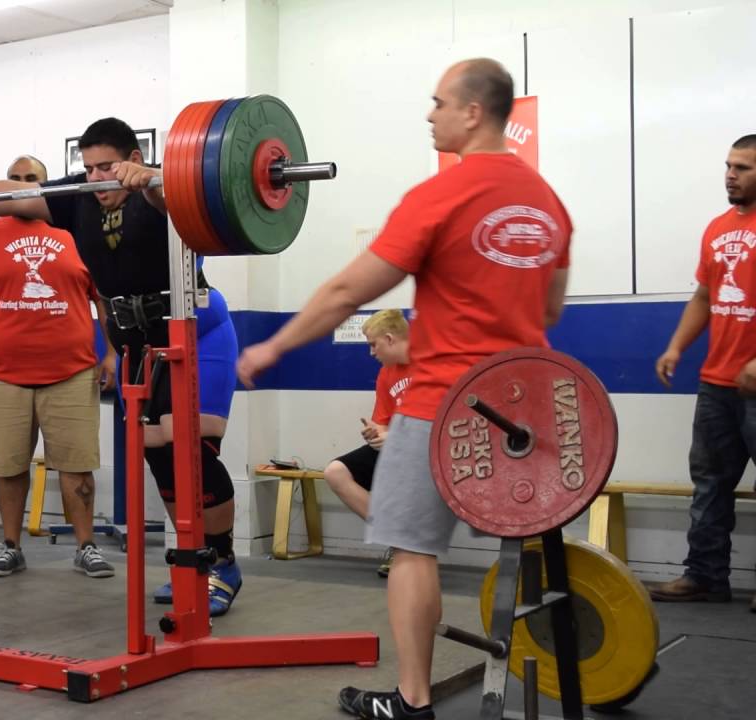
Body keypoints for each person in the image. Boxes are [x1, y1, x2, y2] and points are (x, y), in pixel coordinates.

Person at [237, 58, 571, 720]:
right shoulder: (547, 200)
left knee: (411, 550)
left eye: (438, 102)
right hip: (526, 411)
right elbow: (552, 311)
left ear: (473, 112)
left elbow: (344, 292)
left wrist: (274, 345)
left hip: (444, 402)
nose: (429, 113)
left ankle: (412, 699)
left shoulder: (440, 194)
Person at [0, 133, 245, 614]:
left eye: (107, 167)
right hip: (143, 343)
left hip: (196, 331)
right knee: (160, 458)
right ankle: (194, 562)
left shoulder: (164, 191)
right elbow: (10, 194)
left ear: (133, 159)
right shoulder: (77, 200)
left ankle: (224, 564)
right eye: (88, 168)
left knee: (189, 447)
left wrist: (153, 179)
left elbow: (179, 198)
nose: (96, 178)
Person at [0, 155, 116, 579]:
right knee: (8, 466)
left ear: (45, 187)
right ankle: (10, 545)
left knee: (77, 465)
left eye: (30, 181)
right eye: (13, 180)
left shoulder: (74, 231)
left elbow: (105, 298)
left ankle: (86, 545)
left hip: (71, 372)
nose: (20, 189)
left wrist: (112, 352)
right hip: (0, 374)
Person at [646, 134, 756, 610]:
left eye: (743, 168)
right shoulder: (715, 228)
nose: (730, 174)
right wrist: (676, 347)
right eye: (729, 165)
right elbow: (704, 298)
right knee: (710, 483)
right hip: (717, 383)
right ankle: (706, 577)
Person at [323, 309, 411, 578]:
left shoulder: (434, 367)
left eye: (374, 345)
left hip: (431, 449)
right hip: (398, 447)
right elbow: (382, 421)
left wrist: (394, 439)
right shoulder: (387, 374)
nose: (372, 352)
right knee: (335, 472)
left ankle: (410, 548)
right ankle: (400, 541)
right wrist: (376, 433)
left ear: (390, 338)